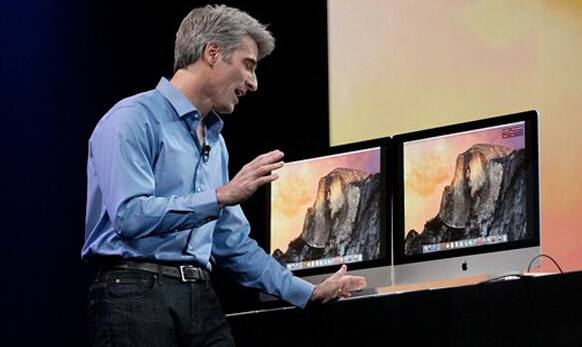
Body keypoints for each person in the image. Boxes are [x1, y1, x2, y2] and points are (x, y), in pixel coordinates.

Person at [82, 4, 366, 347]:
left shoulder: (216, 144)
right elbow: (129, 217)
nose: (254, 83)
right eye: (248, 65)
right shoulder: (132, 119)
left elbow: (231, 243)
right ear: (212, 53)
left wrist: (308, 292)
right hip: (134, 293)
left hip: (201, 298)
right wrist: (219, 197)